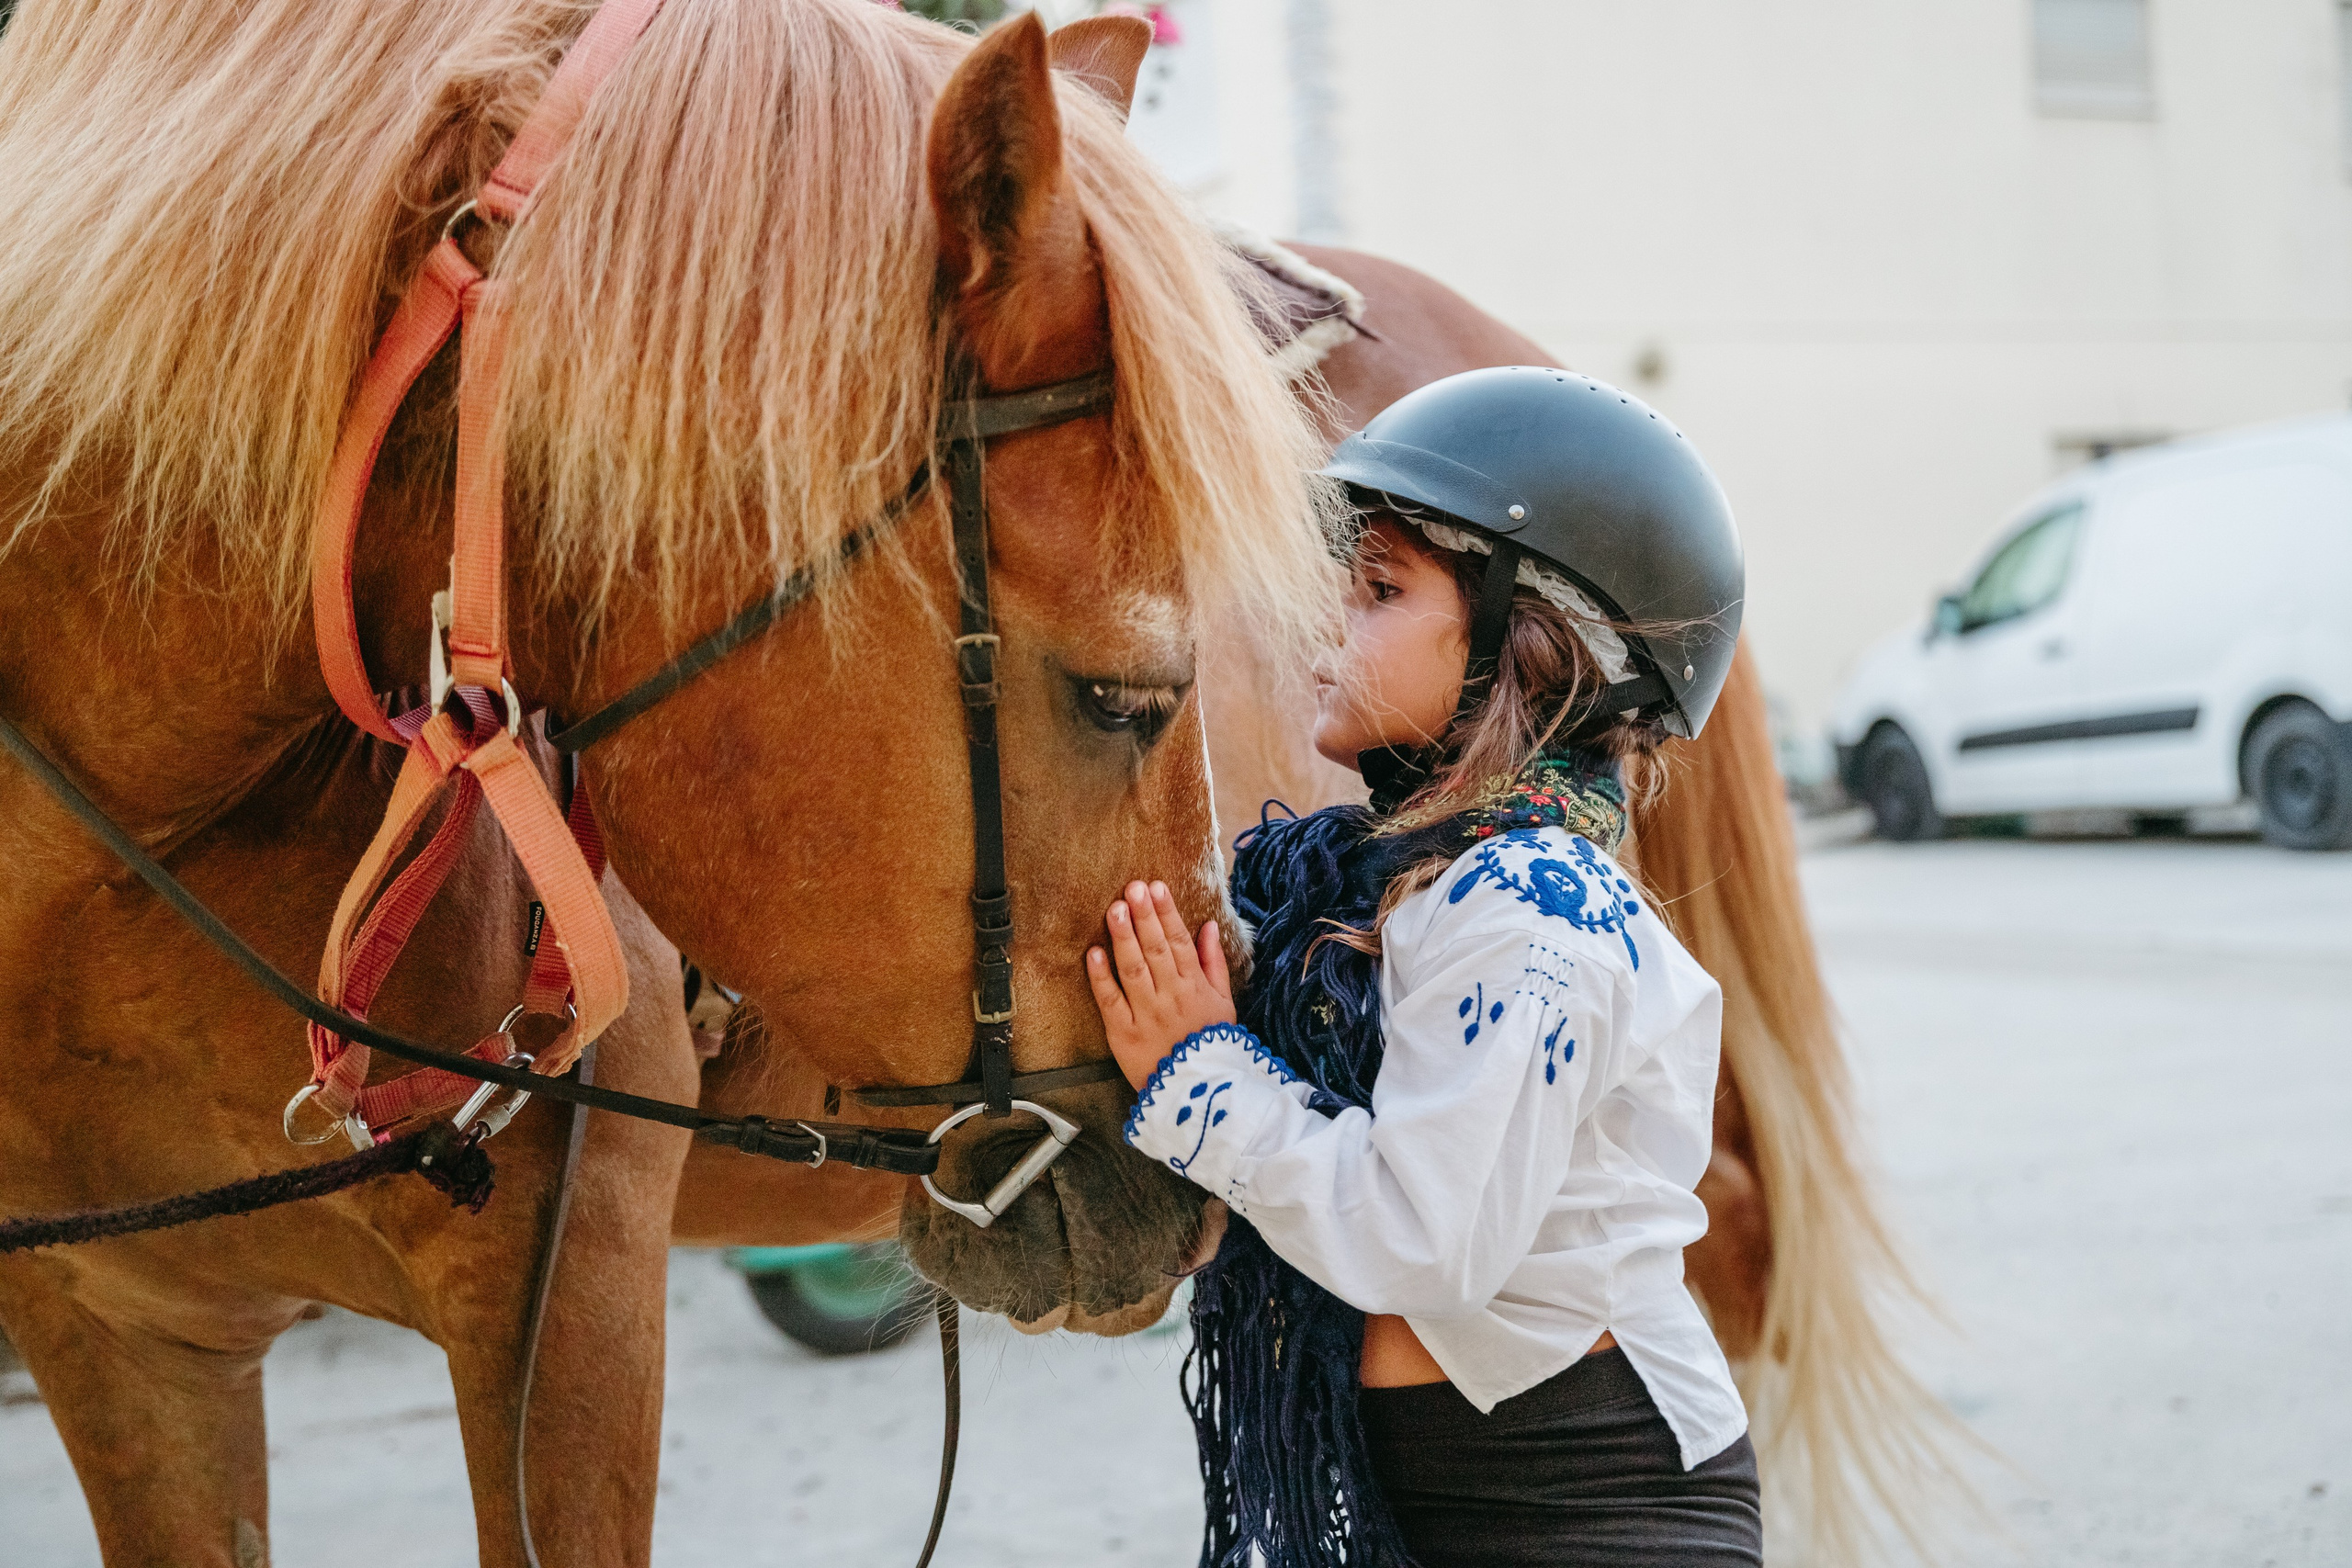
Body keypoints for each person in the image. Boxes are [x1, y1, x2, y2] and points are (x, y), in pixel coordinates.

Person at [1084, 367, 1761, 1568]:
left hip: (1593, 1509)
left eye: (1382, 588)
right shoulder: (1422, 889)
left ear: (1533, 648)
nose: (1325, 622)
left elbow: (1426, 1244)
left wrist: (1203, 1073)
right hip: (1464, 1492)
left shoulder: (1531, 911)